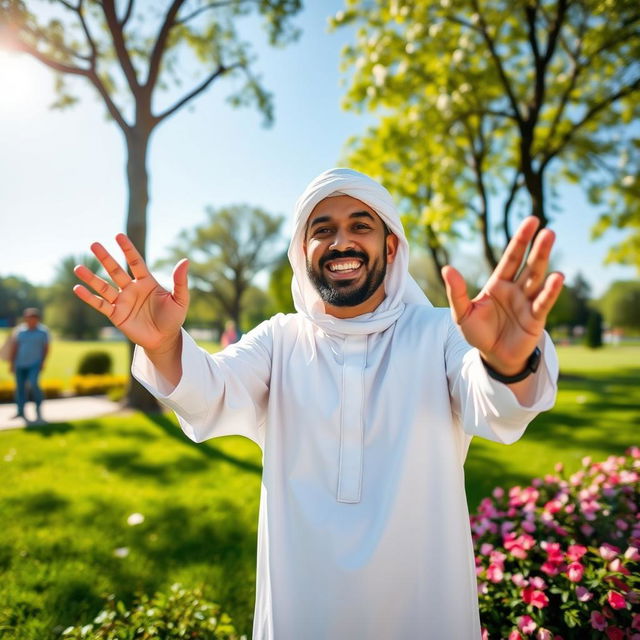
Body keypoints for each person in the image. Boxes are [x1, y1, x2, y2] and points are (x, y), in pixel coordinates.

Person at [73, 168, 564, 639]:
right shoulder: (279, 339)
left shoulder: (441, 333)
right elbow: (211, 393)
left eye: (360, 226)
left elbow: (495, 404)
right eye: (322, 229)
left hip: (421, 606)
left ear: (391, 246)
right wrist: (162, 346)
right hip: (301, 605)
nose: (340, 242)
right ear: (302, 251)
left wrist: (506, 362)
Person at [9, 307, 50, 423]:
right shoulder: (20, 331)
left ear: (37, 319)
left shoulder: (43, 332)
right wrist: (12, 363)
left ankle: (38, 409)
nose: (28, 320)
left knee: (33, 383)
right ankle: (20, 411)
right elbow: (14, 348)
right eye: (26, 318)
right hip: (20, 363)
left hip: (35, 363)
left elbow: (46, 348)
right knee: (20, 387)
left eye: (31, 318)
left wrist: (43, 361)